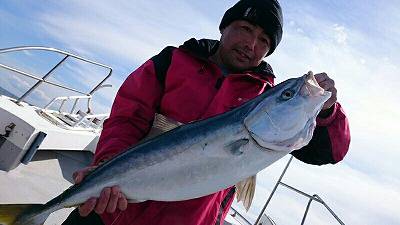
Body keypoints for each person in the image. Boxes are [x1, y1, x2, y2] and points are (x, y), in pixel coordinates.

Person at [63, 0, 350, 224]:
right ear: (224, 27)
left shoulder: (265, 100)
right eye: (246, 29)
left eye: (264, 40)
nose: (252, 45)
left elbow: (329, 152)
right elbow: (128, 118)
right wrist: (109, 164)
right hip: (112, 213)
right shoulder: (172, 61)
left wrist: (326, 111)